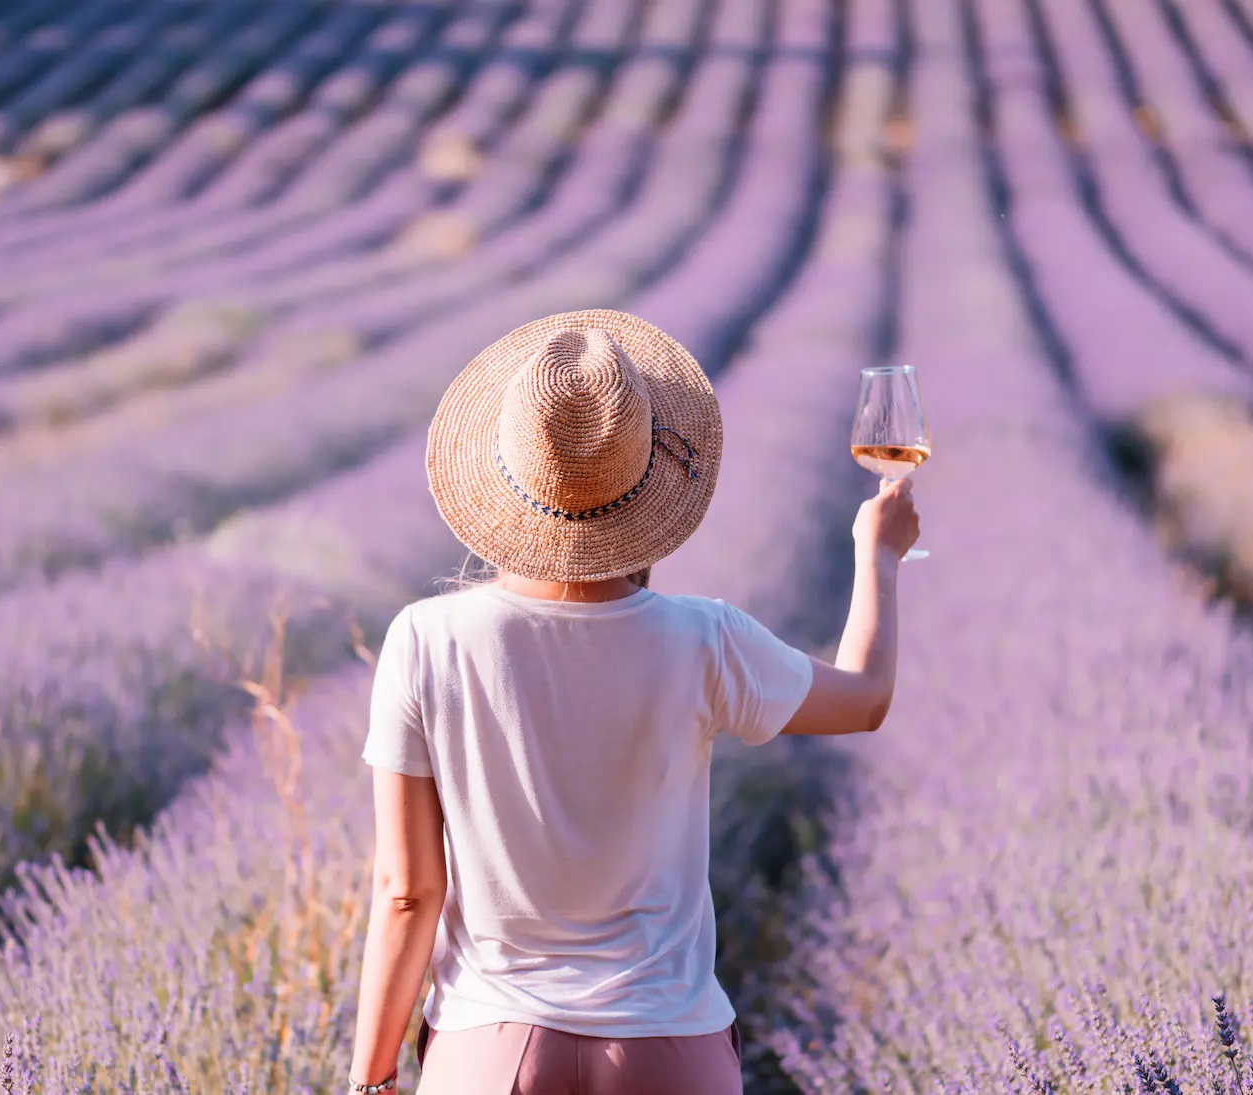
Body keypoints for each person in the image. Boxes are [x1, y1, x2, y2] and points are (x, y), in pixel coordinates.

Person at [347, 309, 920, 1094]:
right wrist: (877, 553)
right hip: (666, 1043)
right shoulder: (704, 638)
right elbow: (864, 698)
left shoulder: (425, 639)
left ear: (508, 469)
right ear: (646, 477)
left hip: (490, 1046)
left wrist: (371, 1075)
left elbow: (407, 891)